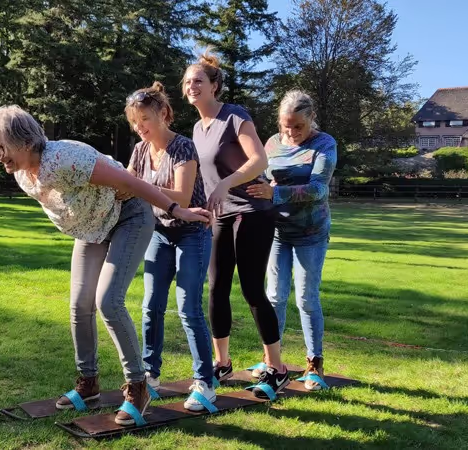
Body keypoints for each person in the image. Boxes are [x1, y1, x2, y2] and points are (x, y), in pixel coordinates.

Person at [0, 105, 211, 425]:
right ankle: (89, 384)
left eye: (1, 148)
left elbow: (130, 182)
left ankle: (138, 388)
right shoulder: (22, 172)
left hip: (129, 217)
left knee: (108, 301)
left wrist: (176, 209)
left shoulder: (65, 157)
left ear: (25, 142)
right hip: (92, 228)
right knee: (79, 304)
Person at [183, 51, 290, 399]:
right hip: (220, 215)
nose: (191, 86)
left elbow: (259, 159)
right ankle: (222, 362)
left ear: (214, 86)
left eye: (198, 80)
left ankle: (277, 368)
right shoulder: (197, 129)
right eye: (187, 82)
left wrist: (227, 184)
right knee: (216, 288)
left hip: (251, 210)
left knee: (252, 289)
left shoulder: (234, 116)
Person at [122, 82, 216, 411]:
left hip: (193, 232)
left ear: (163, 114)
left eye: (145, 119)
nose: (140, 127)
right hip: (158, 233)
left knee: (189, 307)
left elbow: (182, 197)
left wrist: (137, 184)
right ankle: (150, 376)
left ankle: (205, 382)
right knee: (151, 306)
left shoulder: (183, 147)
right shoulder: (139, 151)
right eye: (134, 122)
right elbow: (125, 186)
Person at [246, 90, 338, 390]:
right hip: (277, 232)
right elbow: (261, 175)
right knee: (274, 296)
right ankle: (272, 361)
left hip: (311, 233)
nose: (292, 132)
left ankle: (314, 364)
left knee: (306, 298)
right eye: (287, 126)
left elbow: (318, 189)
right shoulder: (273, 142)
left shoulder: (324, 144)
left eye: (298, 126)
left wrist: (275, 192)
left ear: (311, 119)